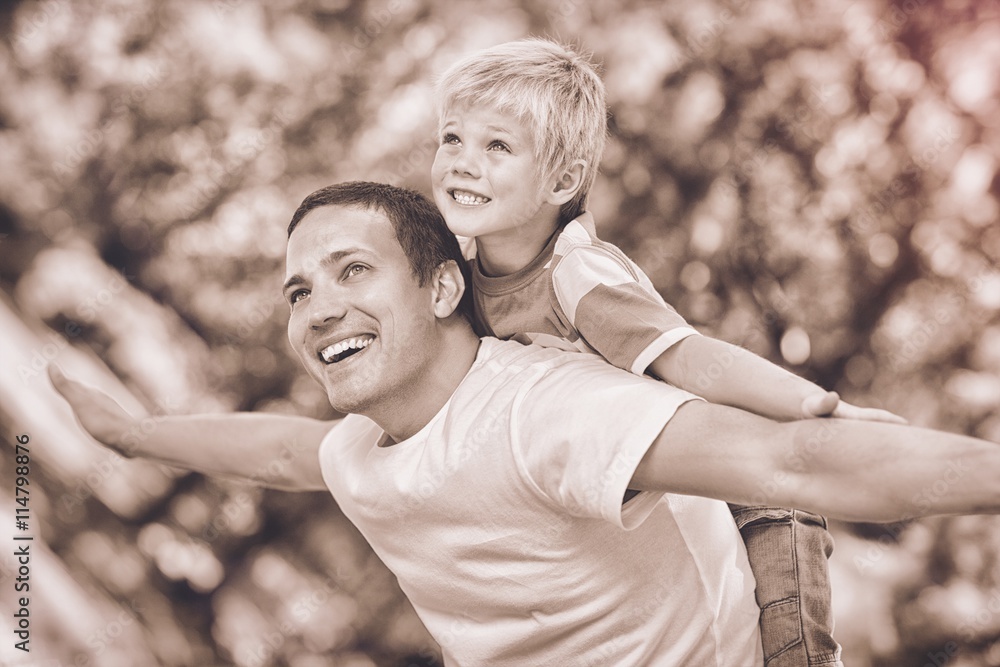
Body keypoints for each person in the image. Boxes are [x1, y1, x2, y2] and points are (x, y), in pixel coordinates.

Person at [52, 181, 1000, 666]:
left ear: (440, 285)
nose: (317, 308)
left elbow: (796, 461)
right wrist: (134, 433)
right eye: (299, 290)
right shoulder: (366, 449)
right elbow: (284, 452)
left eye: (351, 271)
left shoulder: (547, 415)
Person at [428, 38, 903, 666]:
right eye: (452, 138)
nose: (462, 161)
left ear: (562, 180)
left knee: (793, 631)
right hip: (624, 503)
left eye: (497, 146)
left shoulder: (578, 276)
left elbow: (692, 359)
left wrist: (817, 407)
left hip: (734, 470)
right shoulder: (458, 282)